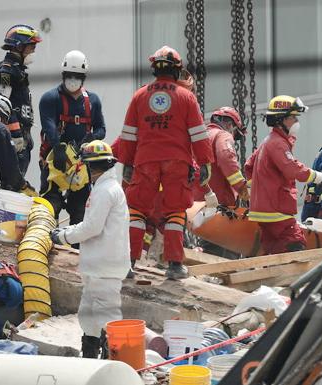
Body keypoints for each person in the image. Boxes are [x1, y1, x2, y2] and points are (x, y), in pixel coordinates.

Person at [118, 45, 213, 280]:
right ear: (177, 71)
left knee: (137, 210)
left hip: (145, 161)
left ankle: (128, 263)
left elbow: (128, 136)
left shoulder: (139, 96)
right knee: (175, 212)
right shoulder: (186, 97)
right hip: (177, 162)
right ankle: (174, 265)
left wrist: (127, 163)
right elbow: (198, 135)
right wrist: (205, 163)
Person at [50, 140, 130, 358]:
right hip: (100, 265)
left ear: (90, 166)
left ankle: (111, 361)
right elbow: (91, 223)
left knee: (106, 318)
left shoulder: (105, 191)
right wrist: (66, 231)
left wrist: (63, 236)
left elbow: (92, 227)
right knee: (89, 315)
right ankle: (90, 356)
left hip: (104, 266)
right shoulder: (106, 188)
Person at [244, 95, 322, 254]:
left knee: (274, 249)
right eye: (293, 117)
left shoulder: (268, 141)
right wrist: (321, 178)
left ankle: (271, 278)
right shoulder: (278, 143)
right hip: (276, 210)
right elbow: (292, 169)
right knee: (295, 242)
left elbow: (249, 166)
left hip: (265, 210)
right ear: (281, 120)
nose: (296, 122)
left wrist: (259, 191)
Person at [39, 50, 106, 232]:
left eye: (77, 76)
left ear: (84, 77)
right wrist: (57, 146)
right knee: (49, 205)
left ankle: (76, 252)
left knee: (79, 211)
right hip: (55, 161)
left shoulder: (93, 101)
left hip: (80, 166)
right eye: (69, 75)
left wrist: (93, 138)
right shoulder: (50, 98)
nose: (73, 80)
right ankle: (45, 241)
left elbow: (101, 128)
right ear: (63, 75)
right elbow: (49, 125)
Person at [0, 24, 42, 175]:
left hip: (23, 137)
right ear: (19, 47)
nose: (34, 50)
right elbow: (1, 106)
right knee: (12, 186)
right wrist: (16, 136)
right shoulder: (6, 71)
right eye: (31, 46)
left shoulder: (18, 70)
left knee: (17, 187)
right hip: (14, 139)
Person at [195, 106, 249, 208]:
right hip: (218, 206)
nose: (233, 137)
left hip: (194, 205)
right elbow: (226, 158)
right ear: (229, 125)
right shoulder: (222, 135)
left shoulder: (199, 137)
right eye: (235, 134)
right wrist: (241, 187)